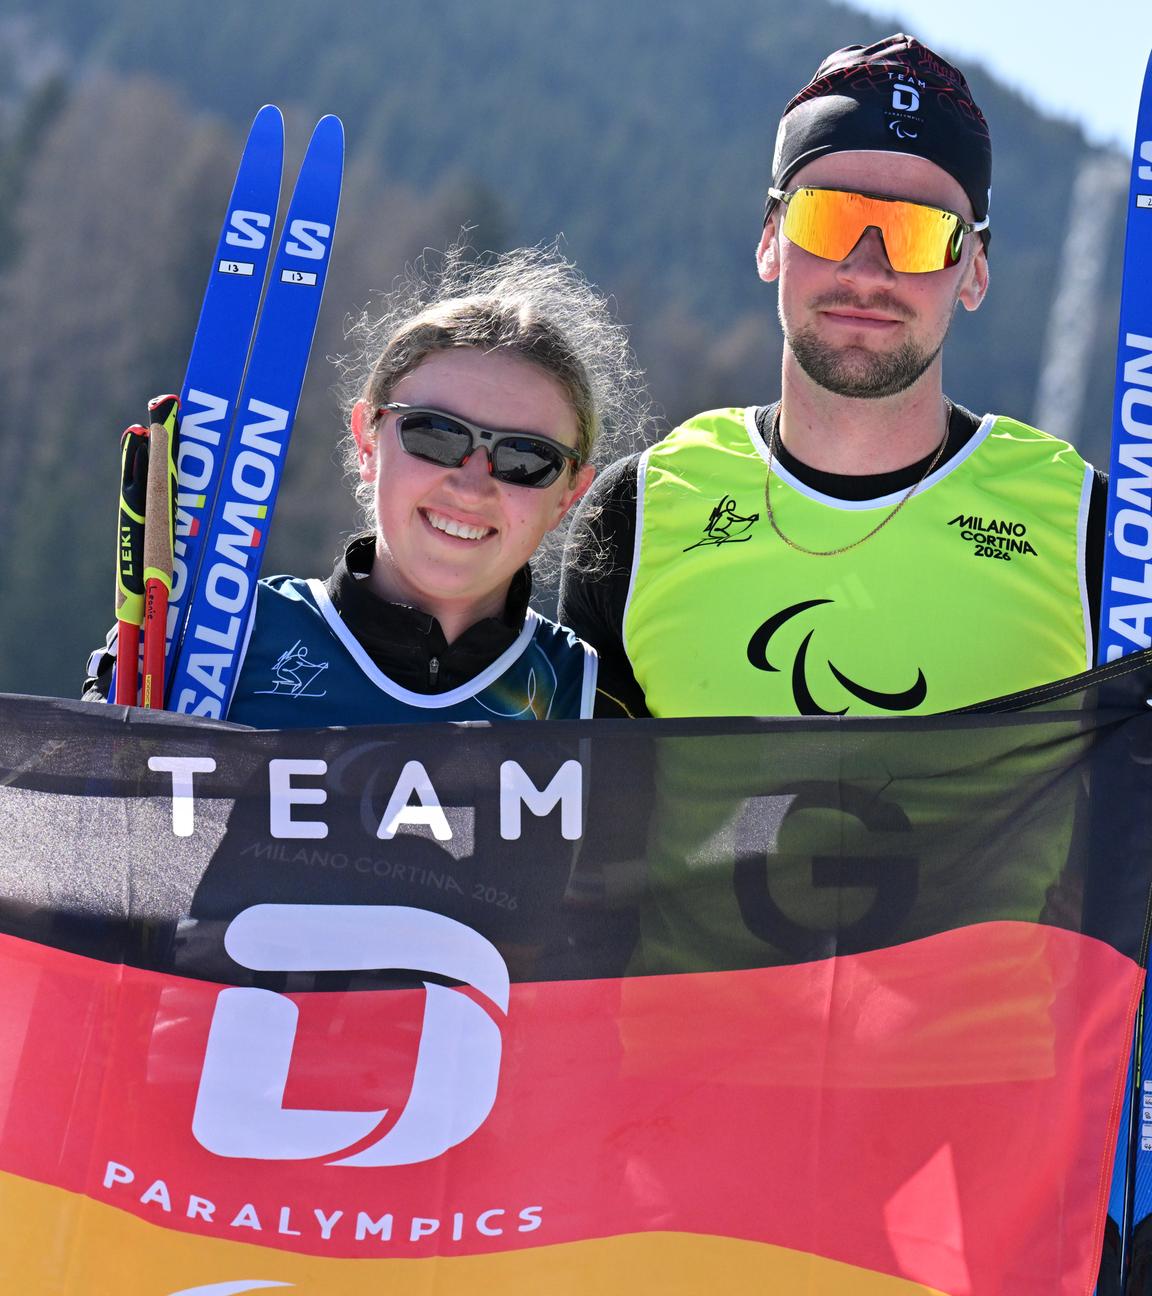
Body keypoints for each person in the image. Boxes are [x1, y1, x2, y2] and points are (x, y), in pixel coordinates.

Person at [560, 34, 1105, 719]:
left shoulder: (1091, 531)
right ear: (769, 241)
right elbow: (584, 814)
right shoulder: (640, 513)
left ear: (974, 270)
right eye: (829, 217)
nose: (868, 269)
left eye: (919, 231)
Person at [84, 244, 647, 723]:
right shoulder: (219, 640)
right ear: (368, 440)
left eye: (527, 459)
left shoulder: (589, 701)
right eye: (435, 435)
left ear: (570, 493)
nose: (473, 485)